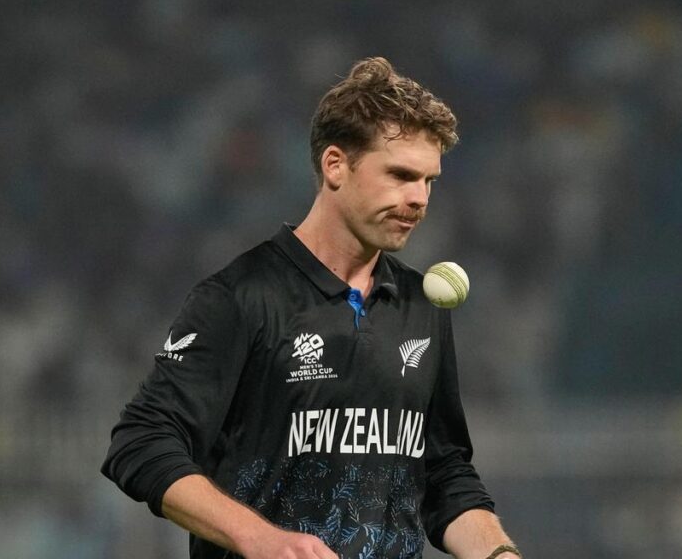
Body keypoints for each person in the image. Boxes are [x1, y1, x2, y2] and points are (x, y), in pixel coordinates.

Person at [101, 57, 521, 559]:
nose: (419, 198)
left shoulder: (421, 305)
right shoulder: (243, 297)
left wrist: (498, 553)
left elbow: (444, 474)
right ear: (335, 165)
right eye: (401, 175)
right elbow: (141, 441)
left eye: (429, 180)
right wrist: (259, 537)